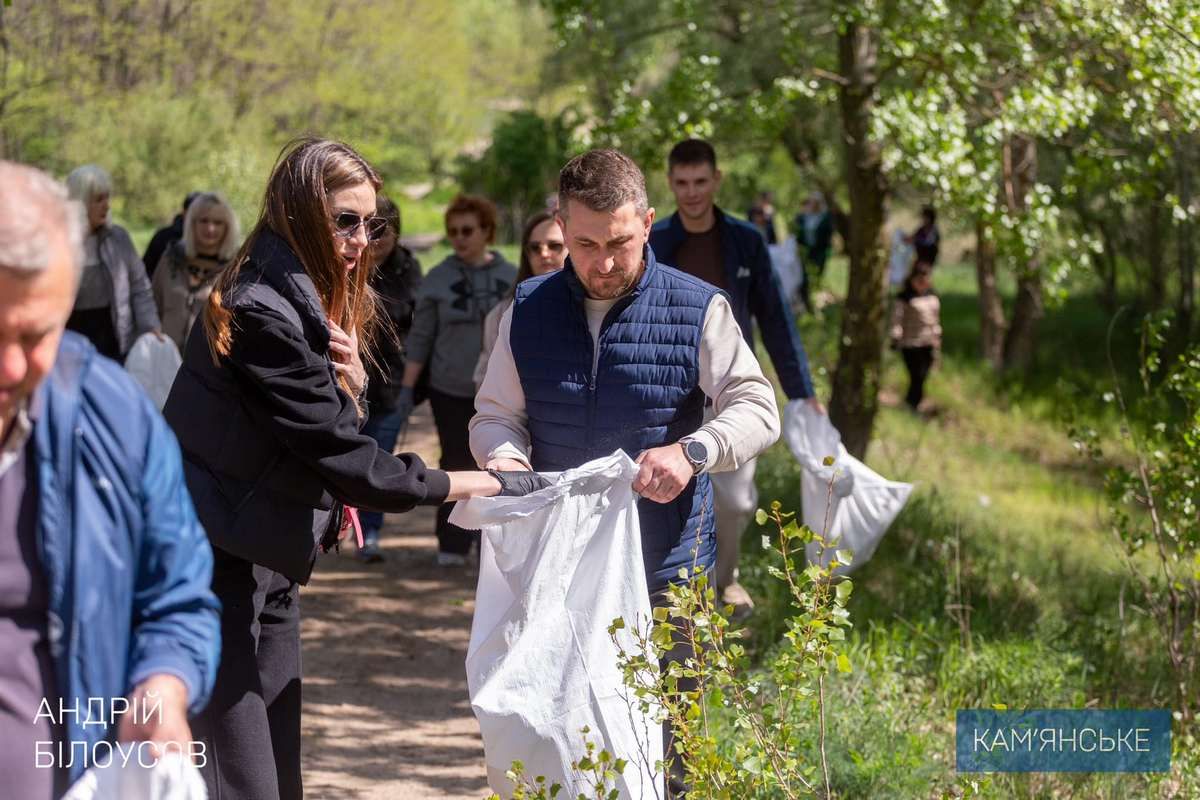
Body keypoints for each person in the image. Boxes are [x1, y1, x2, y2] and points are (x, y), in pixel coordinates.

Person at [162, 138, 541, 800]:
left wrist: (354, 385)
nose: (362, 238)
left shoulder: (296, 292)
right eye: (346, 219)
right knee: (238, 779)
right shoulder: (261, 307)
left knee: (280, 777)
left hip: (263, 559)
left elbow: (323, 428)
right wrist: (465, 481)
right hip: (210, 565)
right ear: (299, 210)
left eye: (371, 222)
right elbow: (347, 462)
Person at [471, 149, 781, 794]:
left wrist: (692, 452)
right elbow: (495, 414)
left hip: (667, 571)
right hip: (556, 565)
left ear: (647, 221)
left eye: (619, 242)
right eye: (584, 244)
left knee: (667, 748)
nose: (604, 263)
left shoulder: (699, 307)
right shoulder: (525, 310)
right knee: (559, 737)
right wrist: (506, 457)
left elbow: (757, 407)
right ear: (561, 223)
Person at [0, 161, 220, 799]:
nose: (11, 366)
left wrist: (163, 682)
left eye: (36, 335)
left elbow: (176, 597)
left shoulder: (112, 414)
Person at [649, 138, 822, 616]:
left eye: (700, 181)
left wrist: (801, 391)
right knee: (666, 486)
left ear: (716, 180)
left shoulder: (745, 240)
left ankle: (725, 579)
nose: (691, 192)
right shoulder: (655, 243)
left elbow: (775, 318)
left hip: (729, 387)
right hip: (671, 387)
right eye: (681, 183)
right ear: (670, 184)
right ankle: (677, 591)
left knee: (738, 502)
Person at [397, 194, 517, 567]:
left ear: (487, 231)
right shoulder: (438, 278)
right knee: (455, 460)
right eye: (453, 232)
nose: (460, 238)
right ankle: (451, 545)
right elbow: (421, 337)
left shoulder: (511, 276)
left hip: (497, 390)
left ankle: (490, 547)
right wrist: (406, 387)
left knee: (497, 466)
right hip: (449, 387)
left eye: (468, 230)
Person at [356, 195, 423, 563]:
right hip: (346, 382)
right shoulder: (343, 262)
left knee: (379, 458)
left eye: (383, 228)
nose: (375, 237)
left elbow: (417, 323)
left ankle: (371, 533)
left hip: (391, 382)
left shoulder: (408, 271)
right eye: (369, 226)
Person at [64, 165, 162, 361]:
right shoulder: (59, 240)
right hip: (70, 340)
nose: (107, 206)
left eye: (107, 198)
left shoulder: (118, 238)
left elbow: (140, 287)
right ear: (80, 202)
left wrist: (150, 327)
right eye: (99, 199)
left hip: (114, 339)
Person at [473, 209, 568, 390]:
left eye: (554, 245)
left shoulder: (595, 305)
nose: (544, 253)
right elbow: (485, 380)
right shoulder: (503, 313)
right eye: (535, 247)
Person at [152, 191, 241, 351]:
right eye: (204, 221)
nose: (210, 228)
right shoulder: (170, 259)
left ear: (227, 227)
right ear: (192, 223)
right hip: (164, 359)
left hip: (209, 366)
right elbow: (153, 304)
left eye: (218, 222)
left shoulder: (236, 269)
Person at [890, 261, 942, 412]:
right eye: (919, 280)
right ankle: (912, 404)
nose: (922, 284)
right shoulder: (905, 298)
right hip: (910, 344)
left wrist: (937, 338)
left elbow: (936, 320)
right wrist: (895, 337)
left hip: (928, 342)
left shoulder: (932, 296)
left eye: (925, 280)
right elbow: (897, 319)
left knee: (923, 375)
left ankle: (913, 402)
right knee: (916, 375)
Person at [143, 191, 200, 278]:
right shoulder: (163, 237)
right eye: (195, 212)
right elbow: (147, 269)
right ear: (184, 212)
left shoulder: (216, 241)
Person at [794, 190, 834, 312]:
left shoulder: (825, 217)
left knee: (817, 275)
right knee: (804, 277)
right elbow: (798, 232)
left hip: (820, 251)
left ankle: (816, 304)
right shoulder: (803, 216)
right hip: (806, 251)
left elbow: (828, 234)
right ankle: (806, 304)